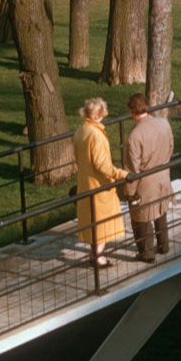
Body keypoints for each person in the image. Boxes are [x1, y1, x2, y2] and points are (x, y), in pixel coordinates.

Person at [73, 97, 128, 268]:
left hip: (86, 182)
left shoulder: (81, 130)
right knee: (101, 223)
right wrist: (121, 174)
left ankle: (93, 253)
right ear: (100, 113)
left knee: (92, 221)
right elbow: (101, 164)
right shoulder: (96, 135)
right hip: (99, 185)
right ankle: (98, 257)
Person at [122, 94, 174, 263]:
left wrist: (129, 192)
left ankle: (147, 252)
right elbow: (171, 147)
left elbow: (132, 167)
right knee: (160, 210)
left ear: (131, 111)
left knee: (141, 216)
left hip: (146, 180)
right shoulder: (163, 124)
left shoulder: (135, 135)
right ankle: (164, 245)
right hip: (163, 174)